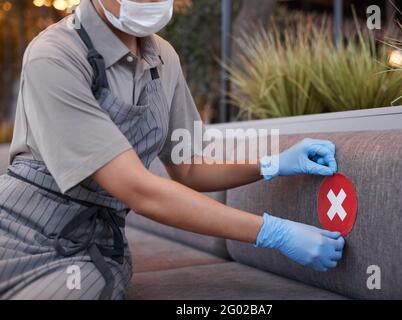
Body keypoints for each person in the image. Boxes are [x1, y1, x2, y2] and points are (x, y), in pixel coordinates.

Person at [0, 0, 345, 300]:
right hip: (18, 230)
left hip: (97, 244)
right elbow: (138, 189)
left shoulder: (163, 58)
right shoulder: (55, 55)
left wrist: (270, 164)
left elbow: (189, 167)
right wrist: (274, 233)